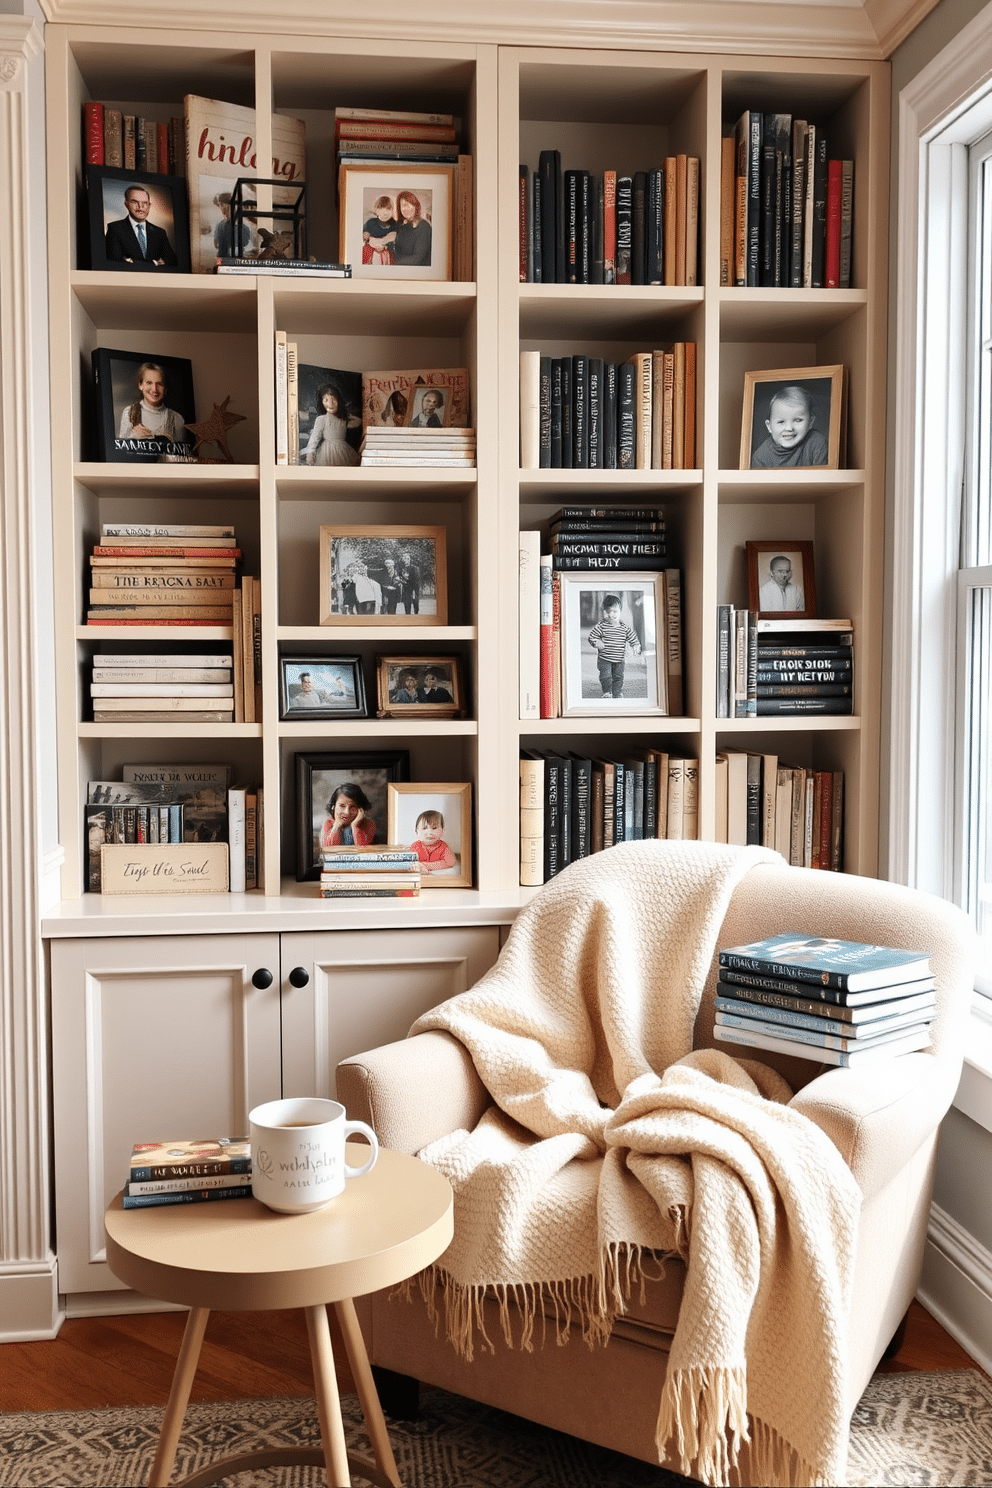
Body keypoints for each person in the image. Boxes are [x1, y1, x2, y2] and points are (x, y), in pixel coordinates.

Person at [750, 384, 829, 468]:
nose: (789, 428)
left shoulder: (816, 443)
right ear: (769, 426)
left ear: (810, 422)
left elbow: (822, 479)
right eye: (781, 422)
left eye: (798, 420)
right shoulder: (761, 456)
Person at [117, 361, 188, 447]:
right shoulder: (129, 413)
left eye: (159, 384)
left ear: (165, 389)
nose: (154, 389)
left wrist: (169, 442)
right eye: (149, 383)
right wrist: (132, 438)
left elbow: (183, 455)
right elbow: (121, 452)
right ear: (140, 385)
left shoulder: (177, 419)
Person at [105, 184, 178, 266]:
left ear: (149, 206)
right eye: (134, 202)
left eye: (144, 203)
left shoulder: (160, 232)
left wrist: (133, 262)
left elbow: (171, 261)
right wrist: (157, 263)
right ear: (126, 204)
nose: (140, 207)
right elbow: (114, 262)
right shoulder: (115, 229)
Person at [587, 594, 641, 699]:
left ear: (620, 611)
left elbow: (632, 637)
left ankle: (617, 692)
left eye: (615, 612)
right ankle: (607, 692)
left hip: (619, 659)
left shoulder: (624, 628)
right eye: (608, 612)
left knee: (618, 677)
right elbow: (592, 637)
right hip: (604, 659)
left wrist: (635, 645)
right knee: (605, 676)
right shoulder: (601, 626)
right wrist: (596, 642)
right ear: (603, 612)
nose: (611, 614)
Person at [303, 384, 361, 467]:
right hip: (327, 451)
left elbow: (358, 422)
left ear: (338, 401)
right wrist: (310, 453)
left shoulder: (343, 419)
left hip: (343, 450)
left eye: (333, 399)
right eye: (326, 400)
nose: (331, 403)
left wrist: (346, 414)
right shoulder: (321, 419)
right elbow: (314, 437)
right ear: (322, 403)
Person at [320, 782, 376, 849]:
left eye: (352, 807)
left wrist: (355, 826)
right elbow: (328, 849)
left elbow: (364, 849)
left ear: (360, 809)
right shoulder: (328, 823)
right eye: (342, 806)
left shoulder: (368, 823)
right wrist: (337, 825)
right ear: (334, 807)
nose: (347, 812)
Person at [392, 190, 432, 267]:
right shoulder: (400, 225)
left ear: (415, 206)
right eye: (402, 206)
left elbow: (417, 258)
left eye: (407, 205)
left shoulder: (424, 226)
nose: (404, 209)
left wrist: (393, 261)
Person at [410, 809, 457, 874]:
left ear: (442, 831)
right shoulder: (415, 846)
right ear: (416, 832)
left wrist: (427, 865)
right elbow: (409, 863)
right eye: (424, 828)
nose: (429, 833)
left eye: (434, 828)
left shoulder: (443, 846)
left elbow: (451, 862)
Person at [212, 191, 251, 260]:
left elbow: (216, 244)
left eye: (220, 205)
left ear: (224, 205)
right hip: (233, 261)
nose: (220, 208)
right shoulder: (245, 226)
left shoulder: (221, 225)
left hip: (227, 261)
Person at [362, 194, 397, 265]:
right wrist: (371, 241)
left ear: (392, 210)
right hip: (372, 252)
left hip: (387, 254)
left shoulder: (394, 223)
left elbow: (393, 235)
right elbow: (365, 236)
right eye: (381, 209)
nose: (385, 212)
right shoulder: (371, 222)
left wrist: (381, 242)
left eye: (388, 209)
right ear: (376, 210)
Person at [397, 549, 421, 614]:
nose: (405, 560)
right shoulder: (401, 569)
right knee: (407, 606)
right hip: (406, 590)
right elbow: (400, 578)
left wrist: (414, 591)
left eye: (407, 558)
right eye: (403, 558)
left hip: (413, 589)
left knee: (415, 604)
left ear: (409, 559)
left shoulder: (414, 568)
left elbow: (416, 580)